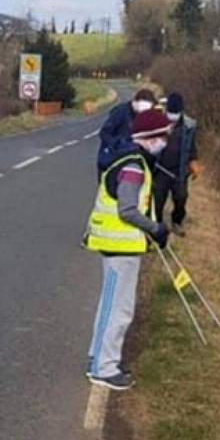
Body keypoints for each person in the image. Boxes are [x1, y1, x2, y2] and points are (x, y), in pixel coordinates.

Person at [82, 109, 172, 390]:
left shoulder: (129, 159)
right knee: (119, 310)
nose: (165, 142)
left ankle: (98, 360)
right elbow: (128, 210)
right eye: (163, 136)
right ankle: (104, 368)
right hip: (119, 245)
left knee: (110, 305)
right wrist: (155, 228)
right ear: (150, 137)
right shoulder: (133, 167)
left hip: (116, 244)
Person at [153, 92, 202, 237]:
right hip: (160, 170)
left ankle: (177, 222)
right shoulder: (157, 121)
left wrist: (193, 164)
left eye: (175, 113)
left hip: (179, 171)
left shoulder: (189, 125)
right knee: (157, 201)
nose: (172, 117)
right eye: (170, 113)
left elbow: (191, 148)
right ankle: (157, 226)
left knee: (181, 197)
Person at [96, 88, 157, 174]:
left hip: (131, 162)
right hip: (111, 161)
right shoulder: (121, 112)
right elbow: (104, 133)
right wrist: (119, 144)